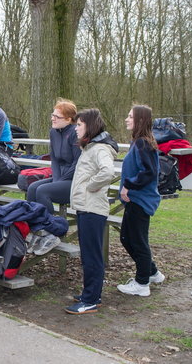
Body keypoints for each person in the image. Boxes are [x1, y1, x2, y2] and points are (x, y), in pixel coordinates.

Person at [65, 109, 117, 315]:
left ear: (89, 126)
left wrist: (91, 187)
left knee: (92, 255)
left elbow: (108, 172)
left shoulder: (99, 149)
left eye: (79, 125)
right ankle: (91, 293)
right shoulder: (90, 148)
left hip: (92, 208)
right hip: (85, 207)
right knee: (88, 254)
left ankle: (91, 300)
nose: (75, 128)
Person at [117, 105, 165, 297]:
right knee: (126, 238)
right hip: (135, 200)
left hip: (141, 200)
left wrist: (129, 185)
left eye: (130, 116)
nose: (127, 119)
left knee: (137, 241)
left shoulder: (143, 143)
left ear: (140, 120)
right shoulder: (138, 142)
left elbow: (149, 172)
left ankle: (142, 283)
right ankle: (152, 272)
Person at [26, 99, 81, 214]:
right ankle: (33, 222)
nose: (52, 118)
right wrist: (56, 179)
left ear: (68, 119)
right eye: (52, 115)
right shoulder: (53, 132)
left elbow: (77, 163)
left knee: (42, 191)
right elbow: (54, 159)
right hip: (59, 177)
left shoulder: (75, 133)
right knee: (32, 188)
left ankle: (50, 225)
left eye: (57, 116)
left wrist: (60, 181)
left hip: (74, 181)